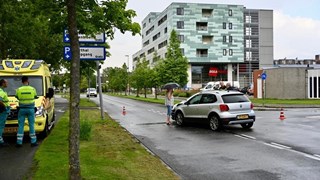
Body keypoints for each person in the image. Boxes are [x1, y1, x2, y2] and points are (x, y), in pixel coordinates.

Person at [15, 76, 38, 147]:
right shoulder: (32, 89)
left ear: (22, 81)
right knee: (31, 125)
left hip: (22, 109)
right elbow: (35, 96)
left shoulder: (18, 89)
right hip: (31, 109)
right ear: (28, 80)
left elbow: (17, 97)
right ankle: (33, 142)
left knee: (21, 125)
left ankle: (19, 142)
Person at [0, 79, 10, 147]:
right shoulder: (0, 91)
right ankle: (1, 141)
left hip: (4, 110)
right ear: (3, 83)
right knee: (1, 126)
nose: (7, 84)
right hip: (2, 111)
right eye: (6, 82)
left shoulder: (2, 90)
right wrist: (3, 107)